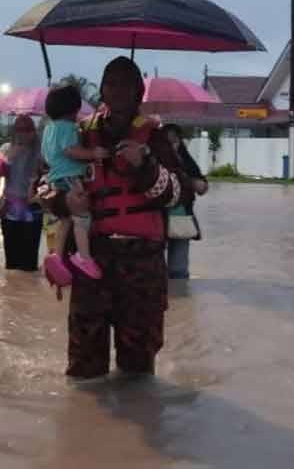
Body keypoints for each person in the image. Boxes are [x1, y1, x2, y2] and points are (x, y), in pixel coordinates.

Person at [41, 56, 191, 379]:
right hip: (91, 262)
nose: (119, 90)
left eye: (127, 83)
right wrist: (64, 201)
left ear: (139, 91)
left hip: (142, 265)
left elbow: (182, 192)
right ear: (102, 90)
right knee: (84, 370)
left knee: (138, 372)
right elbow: (41, 187)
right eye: (112, 83)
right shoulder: (77, 133)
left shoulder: (155, 138)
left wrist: (145, 168)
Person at [41, 84, 110, 280]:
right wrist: (93, 154)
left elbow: (47, 156)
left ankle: (57, 255)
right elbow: (71, 150)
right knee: (83, 216)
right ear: (73, 108)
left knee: (66, 218)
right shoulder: (68, 127)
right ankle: (84, 256)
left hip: (56, 178)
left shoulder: (49, 129)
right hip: (71, 176)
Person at [0, 115, 43, 271]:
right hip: (10, 209)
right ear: (14, 132)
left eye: (27, 130)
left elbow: (50, 172)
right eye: (19, 130)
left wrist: (40, 170)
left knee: (29, 263)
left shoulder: (41, 150)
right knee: (11, 263)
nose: (23, 134)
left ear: (33, 132)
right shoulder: (6, 148)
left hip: (33, 207)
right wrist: (10, 157)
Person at [161, 123, 209, 279]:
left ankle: (181, 295)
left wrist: (193, 182)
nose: (172, 145)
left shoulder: (186, 161)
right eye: (168, 142)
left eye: (175, 141)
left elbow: (202, 187)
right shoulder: (153, 161)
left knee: (179, 270)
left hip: (181, 217)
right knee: (155, 267)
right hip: (155, 219)